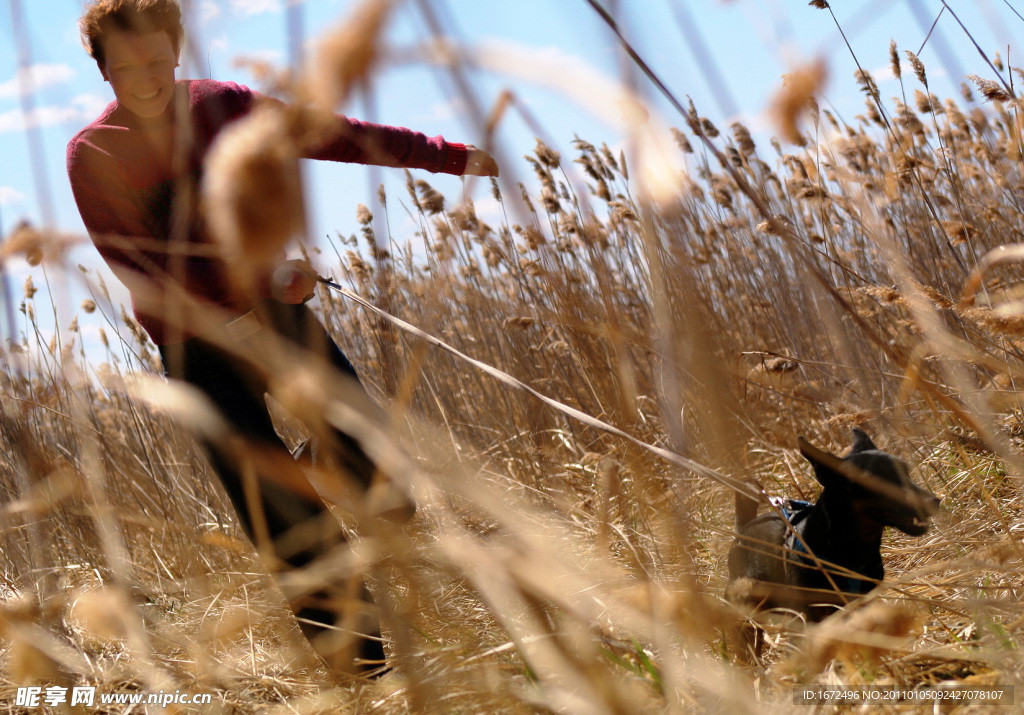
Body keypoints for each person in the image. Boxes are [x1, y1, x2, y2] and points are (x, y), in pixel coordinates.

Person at [66, 0, 498, 676]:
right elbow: (138, 264)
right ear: (104, 71)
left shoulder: (223, 105)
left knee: (381, 479)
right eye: (125, 67)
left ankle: (315, 464)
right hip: (195, 345)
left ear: (176, 52)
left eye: (155, 60)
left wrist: (450, 157)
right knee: (281, 513)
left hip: (277, 314)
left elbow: (331, 133)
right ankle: (363, 668)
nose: (144, 77)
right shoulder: (93, 154)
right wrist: (250, 283)